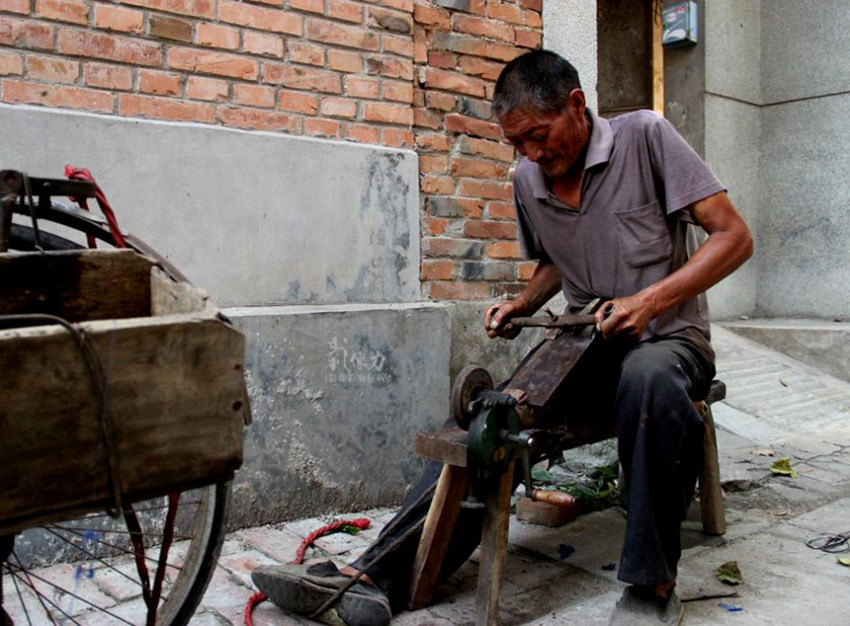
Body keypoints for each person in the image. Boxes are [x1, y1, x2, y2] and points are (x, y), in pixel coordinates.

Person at [252, 49, 753, 626]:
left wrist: (649, 301)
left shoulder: (645, 137)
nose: (534, 154)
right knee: (491, 419)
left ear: (576, 105)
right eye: (518, 144)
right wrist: (521, 302)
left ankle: (652, 587)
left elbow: (734, 236)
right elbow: (555, 264)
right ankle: (373, 578)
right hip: (586, 340)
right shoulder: (527, 178)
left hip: (669, 339)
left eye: (539, 136)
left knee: (649, 379)